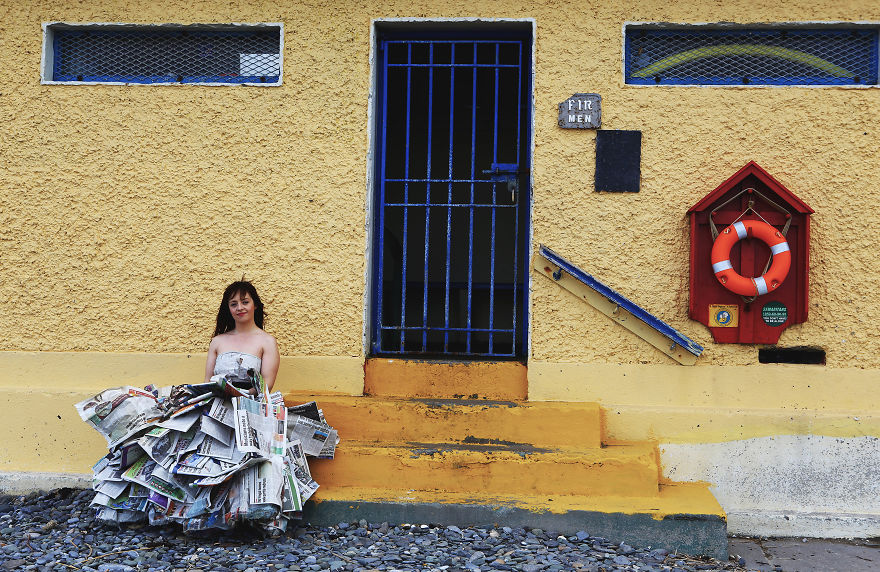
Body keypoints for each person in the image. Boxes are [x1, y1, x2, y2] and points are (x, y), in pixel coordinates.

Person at [204, 281, 280, 392]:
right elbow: (207, 381)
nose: (239, 308)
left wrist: (241, 395)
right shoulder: (217, 341)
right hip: (218, 404)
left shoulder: (267, 341)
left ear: (255, 305)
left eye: (245, 302)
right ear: (228, 309)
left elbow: (267, 384)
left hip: (250, 404)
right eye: (233, 304)